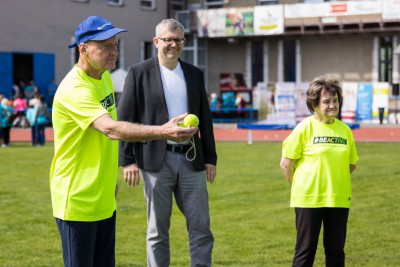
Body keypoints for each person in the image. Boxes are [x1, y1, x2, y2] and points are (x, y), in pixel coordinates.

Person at [49, 16, 197, 267]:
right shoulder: (74, 89)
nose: (113, 52)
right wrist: (163, 132)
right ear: (83, 49)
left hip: (104, 198)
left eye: (115, 44)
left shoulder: (103, 76)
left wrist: (108, 184)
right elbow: (110, 129)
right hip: (77, 201)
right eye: (105, 46)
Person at [118, 19, 217, 267]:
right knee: (157, 232)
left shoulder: (195, 74)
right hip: (154, 162)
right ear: (156, 42)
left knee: (201, 228)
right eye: (168, 39)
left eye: (179, 40)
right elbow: (125, 119)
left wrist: (210, 158)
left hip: (191, 160)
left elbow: (205, 119)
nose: (173, 44)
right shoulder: (138, 73)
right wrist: (128, 160)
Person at [280, 75, 359, 267]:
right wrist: (299, 184)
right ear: (314, 104)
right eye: (326, 101)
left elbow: (351, 164)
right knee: (305, 254)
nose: (332, 105)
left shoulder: (345, 130)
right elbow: (286, 163)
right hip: (308, 199)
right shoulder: (304, 128)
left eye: (335, 100)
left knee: (336, 253)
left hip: (338, 198)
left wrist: (333, 178)